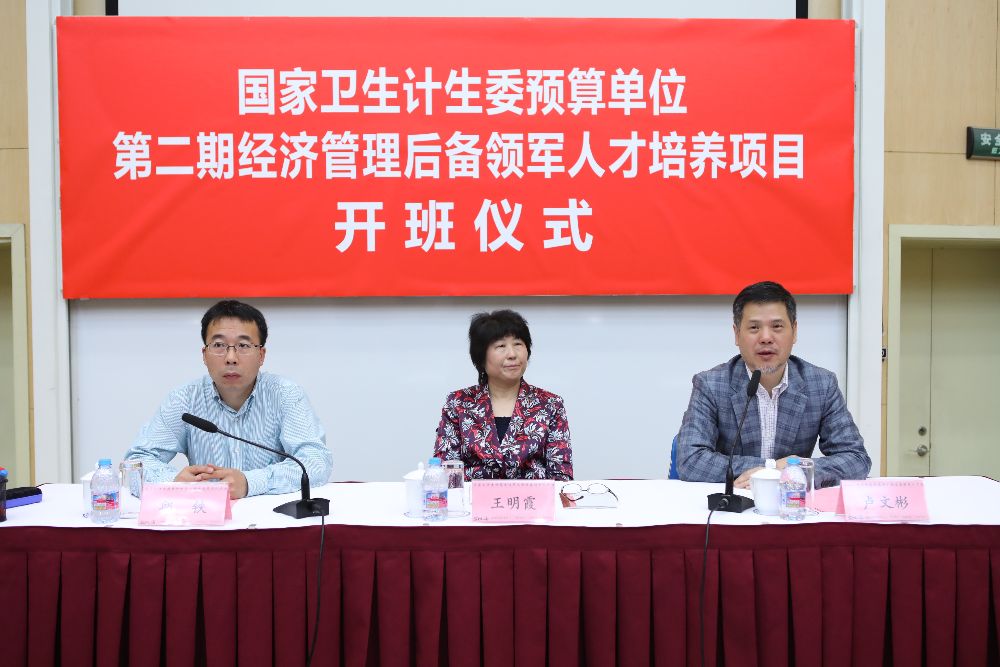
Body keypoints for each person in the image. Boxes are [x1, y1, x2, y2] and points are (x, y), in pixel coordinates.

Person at [124, 300, 332, 499]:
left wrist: (250, 482)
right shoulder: (184, 399)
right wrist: (173, 481)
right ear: (204, 355)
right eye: (219, 345)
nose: (231, 358)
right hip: (206, 516)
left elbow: (316, 462)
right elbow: (136, 463)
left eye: (243, 345)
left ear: (261, 355)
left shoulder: (285, 395)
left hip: (270, 516)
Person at [676, 281, 870, 489]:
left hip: (791, 502)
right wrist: (770, 469)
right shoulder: (711, 384)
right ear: (737, 334)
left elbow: (856, 459)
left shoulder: (822, 384)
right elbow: (690, 460)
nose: (766, 338)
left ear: (794, 331)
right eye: (754, 328)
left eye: (777, 327)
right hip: (735, 500)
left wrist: (798, 470)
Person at [433, 309, 573, 481]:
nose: (512, 354)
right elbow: (445, 473)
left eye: (518, 344)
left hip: (531, 497)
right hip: (473, 497)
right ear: (481, 356)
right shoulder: (459, 403)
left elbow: (561, 476)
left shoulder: (550, 404)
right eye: (501, 346)